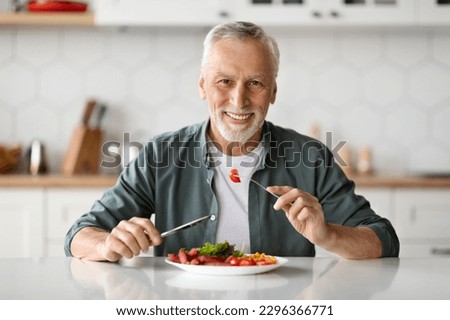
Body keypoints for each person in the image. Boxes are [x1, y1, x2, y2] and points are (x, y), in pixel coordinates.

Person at [65, 21, 399, 262]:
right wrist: (107, 245)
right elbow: (80, 234)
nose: (239, 101)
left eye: (255, 83)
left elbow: (383, 239)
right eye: (224, 81)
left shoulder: (309, 157)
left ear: (273, 92)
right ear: (202, 86)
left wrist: (327, 234)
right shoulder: (160, 155)